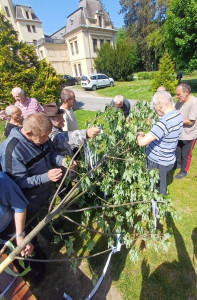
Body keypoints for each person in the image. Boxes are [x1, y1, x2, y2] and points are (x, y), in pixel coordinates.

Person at [0, 112, 67, 217]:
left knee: (47, 213)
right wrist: (46, 177)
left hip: (45, 190)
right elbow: (17, 184)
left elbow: (51, 153)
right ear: (28, 133)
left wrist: (62, 161)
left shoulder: (40, 138)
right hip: (31, 199)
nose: (47, 139)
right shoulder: (12, 151)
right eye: (44, 137)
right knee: (36, 221)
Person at [137, 91, 183, 195]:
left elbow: (141, 143)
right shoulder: (178, 116)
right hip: (169, 158)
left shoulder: (163, 123)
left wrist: (139, 135)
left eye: (155, 107)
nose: (154, 109)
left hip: (158, 161)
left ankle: (159, 202)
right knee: (160, 180)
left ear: (160, 105)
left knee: (159, 185)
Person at [0, 171, 33, 257]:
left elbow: (19, 207)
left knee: (27, 251)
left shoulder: (2, 182)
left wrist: (20, 235)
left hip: (14, 224)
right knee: (14, 258)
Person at [174, 83, 197, 179]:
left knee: (186, 154)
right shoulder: (180, 101)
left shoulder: (194, 102)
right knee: (178, 151)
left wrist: (175, 120)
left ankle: (184, 171)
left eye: (179, 94)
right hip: (179, 133)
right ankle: (177, 165)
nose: (176, 96)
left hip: (189, 134)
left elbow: (191, 121)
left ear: (186, 92)